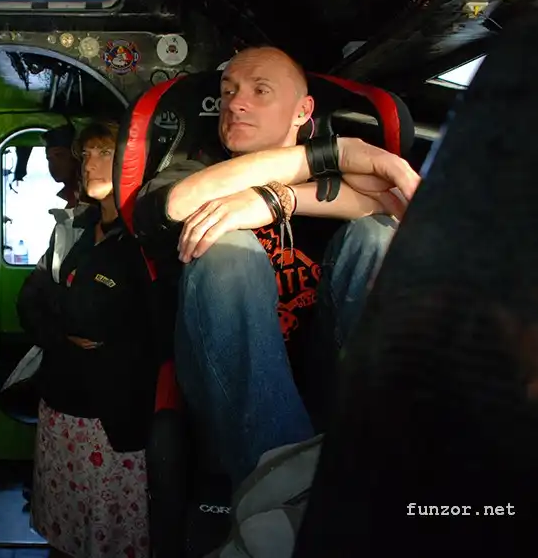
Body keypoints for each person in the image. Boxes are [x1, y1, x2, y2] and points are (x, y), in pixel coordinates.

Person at [132, 46, 421, 497]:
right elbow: (175, 205)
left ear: (303, 110)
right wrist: (334, 152)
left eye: (259, 90)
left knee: (377, 238)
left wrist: (279, 199)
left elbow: (396, 202)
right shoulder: (191, 170)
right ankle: (288, 492)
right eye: (228, 91)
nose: (235, 103)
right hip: (221, 383)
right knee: (226, 249)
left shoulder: (336, 179)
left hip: (328, 373)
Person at [18, 120, 159, 558]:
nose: (90, 165)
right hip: (59, 406)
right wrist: (63, 331)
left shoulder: (147, 239)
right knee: (62, 535)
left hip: (110, 419)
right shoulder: (73, 229)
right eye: (86, 155)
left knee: (109, 537)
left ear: (131, 162)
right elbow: (28, 301)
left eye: (105, 153)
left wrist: (62, 308)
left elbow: (96, 320)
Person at [43, 123, 82, 207]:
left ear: (75, 156)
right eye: (49, 159)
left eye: (59, 155)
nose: (54, 164)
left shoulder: (89, 196)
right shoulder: (72, 196)